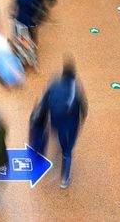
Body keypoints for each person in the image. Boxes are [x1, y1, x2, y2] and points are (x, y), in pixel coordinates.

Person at [40, 58, 87, 188]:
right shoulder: (75, 90)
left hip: (56, 123)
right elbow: (84, 108)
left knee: (61, 141)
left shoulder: (54, 84)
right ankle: (64, 179)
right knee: (68, 151)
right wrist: (81, 121)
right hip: (71, 125)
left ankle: (60, 149)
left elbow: (44, 101)